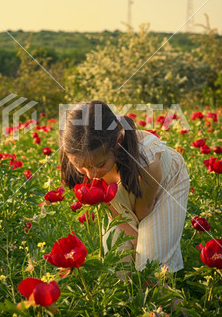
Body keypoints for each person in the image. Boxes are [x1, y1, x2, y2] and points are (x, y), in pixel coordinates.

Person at [59, 100, 190, 273]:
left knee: (149, 269)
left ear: (118, 141)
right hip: (121, 196)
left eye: (99, 164)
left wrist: (140, 247)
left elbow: (144, 210)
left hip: (162, 189)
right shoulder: (83, 156)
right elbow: (112, 209)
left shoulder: (147, 159)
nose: (90, 175)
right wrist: (132, 238)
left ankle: (165, 296)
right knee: (116, 267)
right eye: (81, 167)